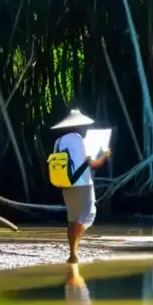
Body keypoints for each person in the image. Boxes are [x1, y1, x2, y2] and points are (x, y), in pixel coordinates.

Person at [50, 110, 109, 264]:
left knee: (73, 218)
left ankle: (72, 252)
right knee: (88, 216)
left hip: (65, 184)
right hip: (82, 183)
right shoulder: (82, 141)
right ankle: (74, 251)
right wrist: (105, 156)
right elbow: (94, 165)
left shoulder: (58, 141)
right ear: (79, 127)